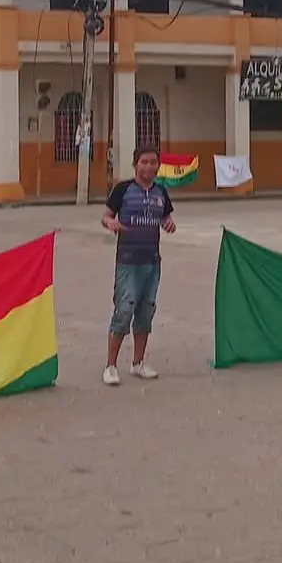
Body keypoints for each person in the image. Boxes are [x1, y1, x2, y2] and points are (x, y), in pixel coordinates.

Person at [101, 146, 176, 386]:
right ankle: (111, 366)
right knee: (124, 310)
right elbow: (106, 216)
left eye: (153, 162)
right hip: (127, 261)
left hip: (152, 261)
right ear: (136, 165)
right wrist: (111, 223)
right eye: (144, 162)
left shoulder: (161, 192)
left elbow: (165, 217)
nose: (149, 166)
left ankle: (138, 363)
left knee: (145, 311)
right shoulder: (122, 190)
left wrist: (168, 223)